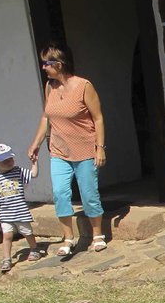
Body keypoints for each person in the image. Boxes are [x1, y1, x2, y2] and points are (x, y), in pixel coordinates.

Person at [26, 42, 108, 257]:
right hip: (59, 151)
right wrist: (36, 144)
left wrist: (100, 148)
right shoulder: (49, 87)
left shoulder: (83, 86)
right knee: (61, 193)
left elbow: (98, 118)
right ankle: (68, 238)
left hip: (85, 149)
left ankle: (97, 234)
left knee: (89, 193)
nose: (43, 67)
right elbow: (46, 117)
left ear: (59, 64)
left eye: (47, 63)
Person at [0, 143, 42, 273]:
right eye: (4, 160)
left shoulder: (18, 171)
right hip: (6, 213)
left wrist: (34, 163)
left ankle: (34, 249)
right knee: (7, 236)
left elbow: (33, 174)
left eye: (10, 158)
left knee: (27, 232)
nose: (8, 162)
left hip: (20, 211)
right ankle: (7, 259)